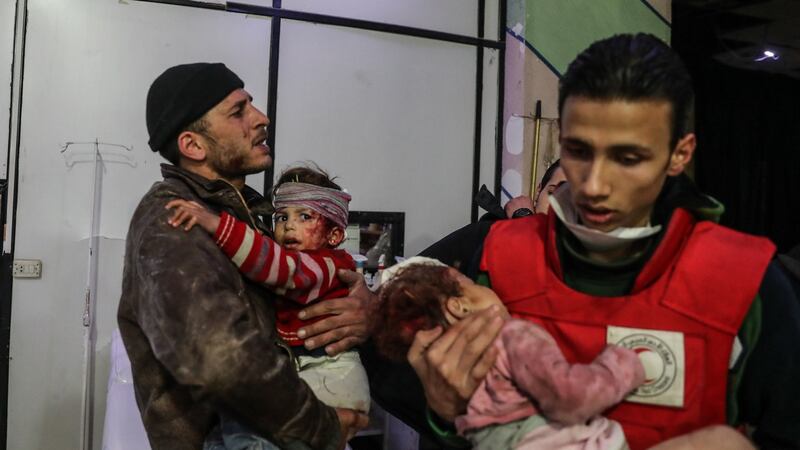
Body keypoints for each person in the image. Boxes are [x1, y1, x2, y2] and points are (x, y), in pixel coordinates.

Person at [406, 33, 800, 450]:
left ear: (680, 154)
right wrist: (446, 415)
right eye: (578, 151)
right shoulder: (497, 256)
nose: (593, 185)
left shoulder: (746, 279)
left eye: (628, 158)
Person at [118, 63, 368, 450]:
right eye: (238, 111)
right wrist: (320, 426)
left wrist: (360, 307)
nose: (261, 118)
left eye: (251, 104)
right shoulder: (173, 218)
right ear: (193, 146)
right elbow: (218, 358)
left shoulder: (249, 214)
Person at [165, 165, 371, 449]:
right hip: (310, 372)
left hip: (332, 377)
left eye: (305, 217)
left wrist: (215, 224)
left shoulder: (327, 265)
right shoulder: (308, 259)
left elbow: (279, 267)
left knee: (250, 429)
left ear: (334, 236)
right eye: (282, 217)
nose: (289, 226)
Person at [371, 257, 645, 449]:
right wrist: (622, 363)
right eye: (472, 282)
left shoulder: (459, 377)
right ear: (459, 305)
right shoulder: (513, 336)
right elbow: (569, 396)